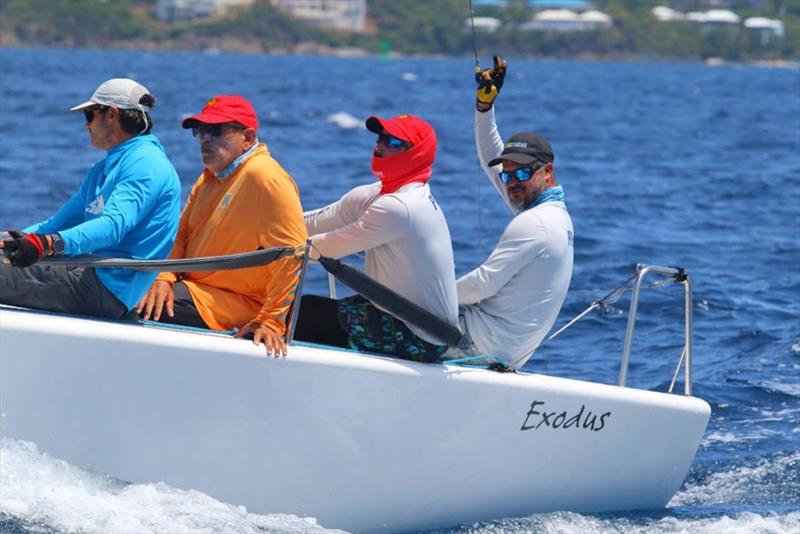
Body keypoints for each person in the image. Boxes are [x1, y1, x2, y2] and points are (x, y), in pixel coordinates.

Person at [136, 95, 307, 357]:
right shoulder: (210, 178)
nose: (205, 139)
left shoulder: (265, 178)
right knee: (121, 289)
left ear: (248, 138)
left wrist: (271, 321)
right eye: (200, 131)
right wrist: (164, 277)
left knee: (128, 304)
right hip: (196, 290)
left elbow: (291, 255)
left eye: (215, 131)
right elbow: (181, 235)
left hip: (236, 304)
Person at [0, 78, 181, 319]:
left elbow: (113, 226)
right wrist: (8, 241)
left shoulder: (147, 164)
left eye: (89, 115)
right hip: (85, 272)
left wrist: (48, 244)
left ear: (111, 115)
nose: (86, 125)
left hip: (107, 291)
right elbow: (55, 225)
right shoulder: (102, 168)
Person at [294, 114, 459, 363]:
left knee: (305, 315)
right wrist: (260, 225)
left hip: (421, 335)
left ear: (417, 153)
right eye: (381, 137)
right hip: (392, 311)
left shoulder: (400, 207)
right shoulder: (377, 194)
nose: (380, 145)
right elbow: (312, 223)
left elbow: (320, 249)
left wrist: (259, 244)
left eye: (393, 142)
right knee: (307, 309)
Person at [445, 56, 574, 370]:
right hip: (504, 347)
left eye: (522, 174)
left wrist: (426, 296)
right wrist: (484, 108)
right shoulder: (548, 210)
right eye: (507, 174)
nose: (511, 182)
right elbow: (491, 155)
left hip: (477, 345)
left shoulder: (536, 223)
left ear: (547, 172)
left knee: (363, 315)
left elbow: (481, 286)